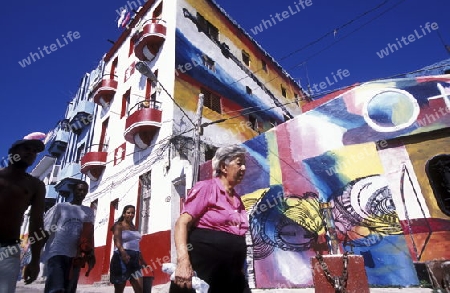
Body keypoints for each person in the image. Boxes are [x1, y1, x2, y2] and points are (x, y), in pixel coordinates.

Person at [170, 144, 251, 293]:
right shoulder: (206, 188)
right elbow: (182, 223)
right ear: (224, 167)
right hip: (203, 271)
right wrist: (183, 261)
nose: (244, 168)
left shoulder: (238, 200)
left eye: (244, 164)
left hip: (231, 276)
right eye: (239, 163)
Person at [0, 138, 46, 293]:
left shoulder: (35, 185)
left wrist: (35, 260)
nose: (31, 153)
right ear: (13, 153)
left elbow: (36, 222)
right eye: (26, 148)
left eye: (34, 151)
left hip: (9, 248)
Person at [41, 180, 95, 293]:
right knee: (56, 288)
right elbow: (46, 229)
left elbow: (89, 233)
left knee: (69, 288)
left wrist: (91, 253)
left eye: (84, 190)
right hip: (57, 252)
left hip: (76, 256)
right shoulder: (60, 207)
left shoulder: (88, 211)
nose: (82, 192)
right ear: (73, 191)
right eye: (79, 190)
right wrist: (37, 252)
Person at [110, 205, 148, 293]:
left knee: (139, 289)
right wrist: (123, 253)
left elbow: (136, 245)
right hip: (121, 258)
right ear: (123, 214)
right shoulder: (118, 225)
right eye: (128, 212)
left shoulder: (134, 228)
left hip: (135, 259)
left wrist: (142, 259)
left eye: (132, 213)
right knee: (119, 289)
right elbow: (117, 240)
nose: (131, 215)